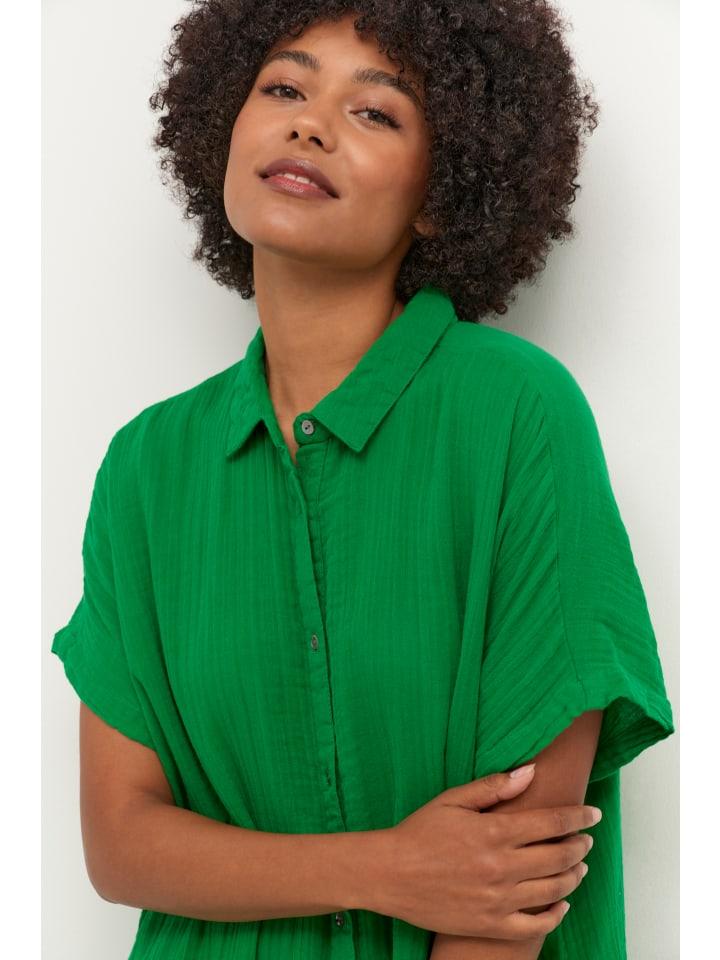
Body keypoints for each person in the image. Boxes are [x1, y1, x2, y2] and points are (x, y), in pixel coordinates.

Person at [51, 3, 675, 959]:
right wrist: (387, 867)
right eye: (284, 88)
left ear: (441, 193)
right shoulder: (146, 465)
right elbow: (121, 845)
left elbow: (510, 880)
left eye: (375, 112)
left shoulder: (516, 413)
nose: (310, 124)